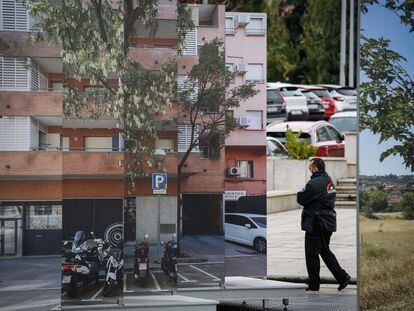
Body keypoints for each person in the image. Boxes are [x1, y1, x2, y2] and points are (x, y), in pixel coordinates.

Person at [297, 158, 351, 291]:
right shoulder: (328, 180)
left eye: (310, 166)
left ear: (314, 168)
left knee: (311, 253)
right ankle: (342, 277)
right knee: (324, 250)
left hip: (316, 223)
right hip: (327, 222)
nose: (309, 169)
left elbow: (301, 198)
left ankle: (314, 284)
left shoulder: (314, 183)